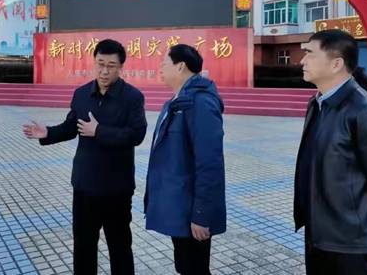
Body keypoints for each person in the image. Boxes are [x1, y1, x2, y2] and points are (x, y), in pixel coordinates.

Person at [23, 39, 147, 275]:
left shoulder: (132, 97)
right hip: (85, 185)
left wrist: (99, 131)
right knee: (83, 246)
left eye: (111, 65)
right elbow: (72, 127)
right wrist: (48, 132)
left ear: (121, 67)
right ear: (94, 62)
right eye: (100, 63)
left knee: (119, 246)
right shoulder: (81, 94)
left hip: (116, 189)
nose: (104, 71)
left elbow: (136, 135)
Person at [295, 29, 367, 275]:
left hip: (351, 241)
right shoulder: (318, 103)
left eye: (310, 54)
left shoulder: (363, 108)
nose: (302, 61)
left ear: (336, 63)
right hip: (319, 232)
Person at [145, 44, 226, 275]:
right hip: (179, 205)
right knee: (185, 266)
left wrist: (201, 214)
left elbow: (209, 163)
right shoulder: (176, 101)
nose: (160, 68)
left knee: (195, 268)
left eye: (164, 63)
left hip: (192, 210)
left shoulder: (201, 103)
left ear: (180, 66)